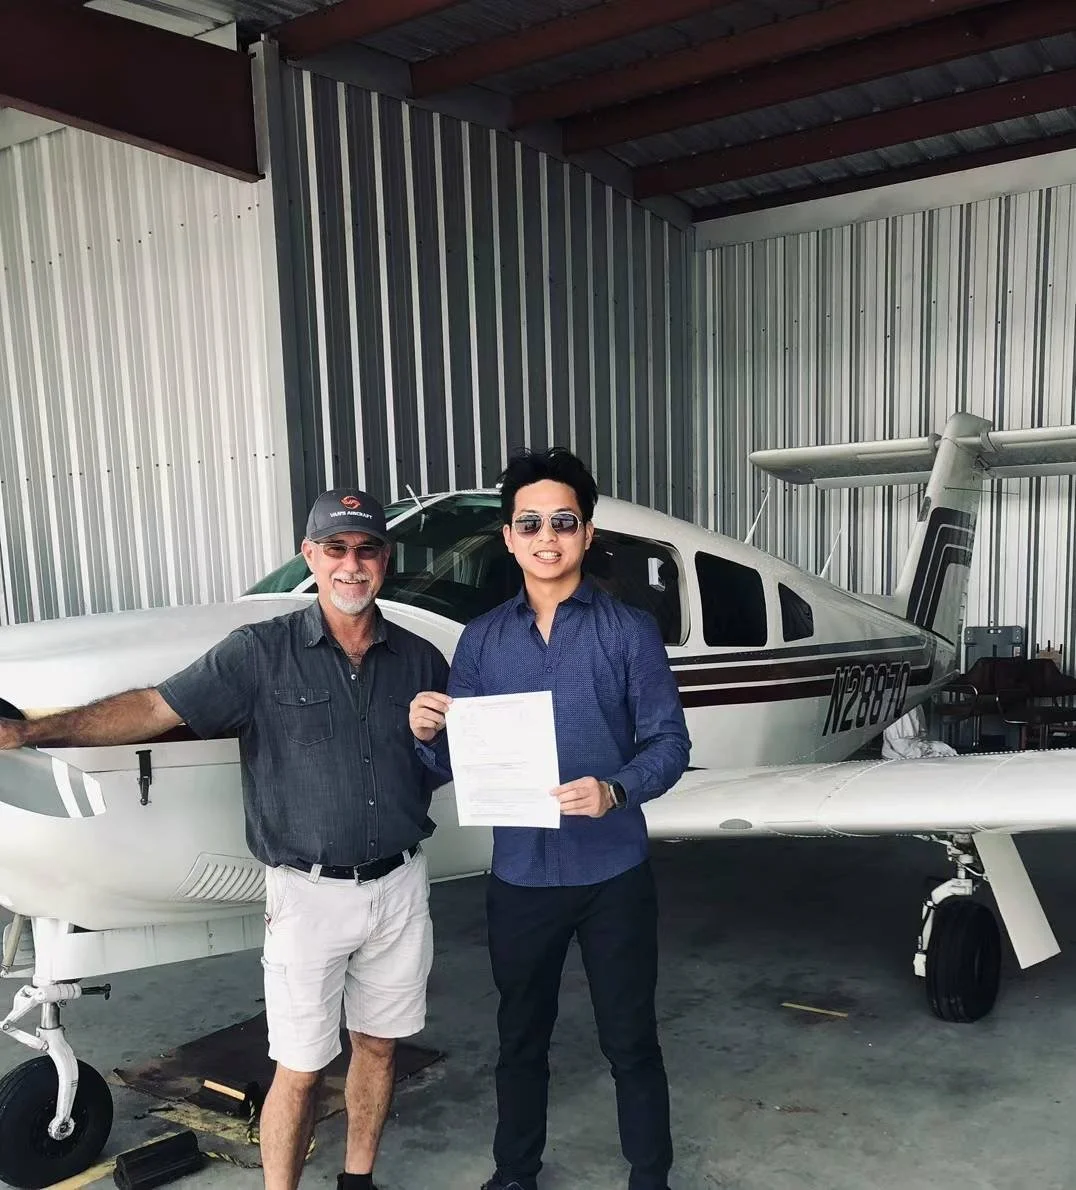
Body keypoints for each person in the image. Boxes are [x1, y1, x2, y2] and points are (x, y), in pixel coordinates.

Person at [0, 488, 449, 1190]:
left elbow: (446, 768)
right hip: (307, 892)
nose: (352, 565)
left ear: (384, 560)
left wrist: (440, 743)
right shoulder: (258, 653)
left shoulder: (421, 660)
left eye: (367, 550)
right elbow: (154, 707)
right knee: (297, 1068)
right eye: (336, 549)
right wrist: (27, 732)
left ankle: (358, 1180)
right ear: (310, 556)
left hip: (397, 885)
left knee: (380, 1048)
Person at [409, 448, 691, 1190]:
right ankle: (514, 1174)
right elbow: (452, 769)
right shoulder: (480, 641)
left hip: (613, 875)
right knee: (519, 1039)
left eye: (563, 521)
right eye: (529, 522)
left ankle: (651, 1176)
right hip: (522, 879)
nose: (546, 536)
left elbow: (670, 741)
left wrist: (616, 790)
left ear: (587, 533)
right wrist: (430, 737)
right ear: (507, 537)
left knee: (630, 1040)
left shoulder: (628, 632)